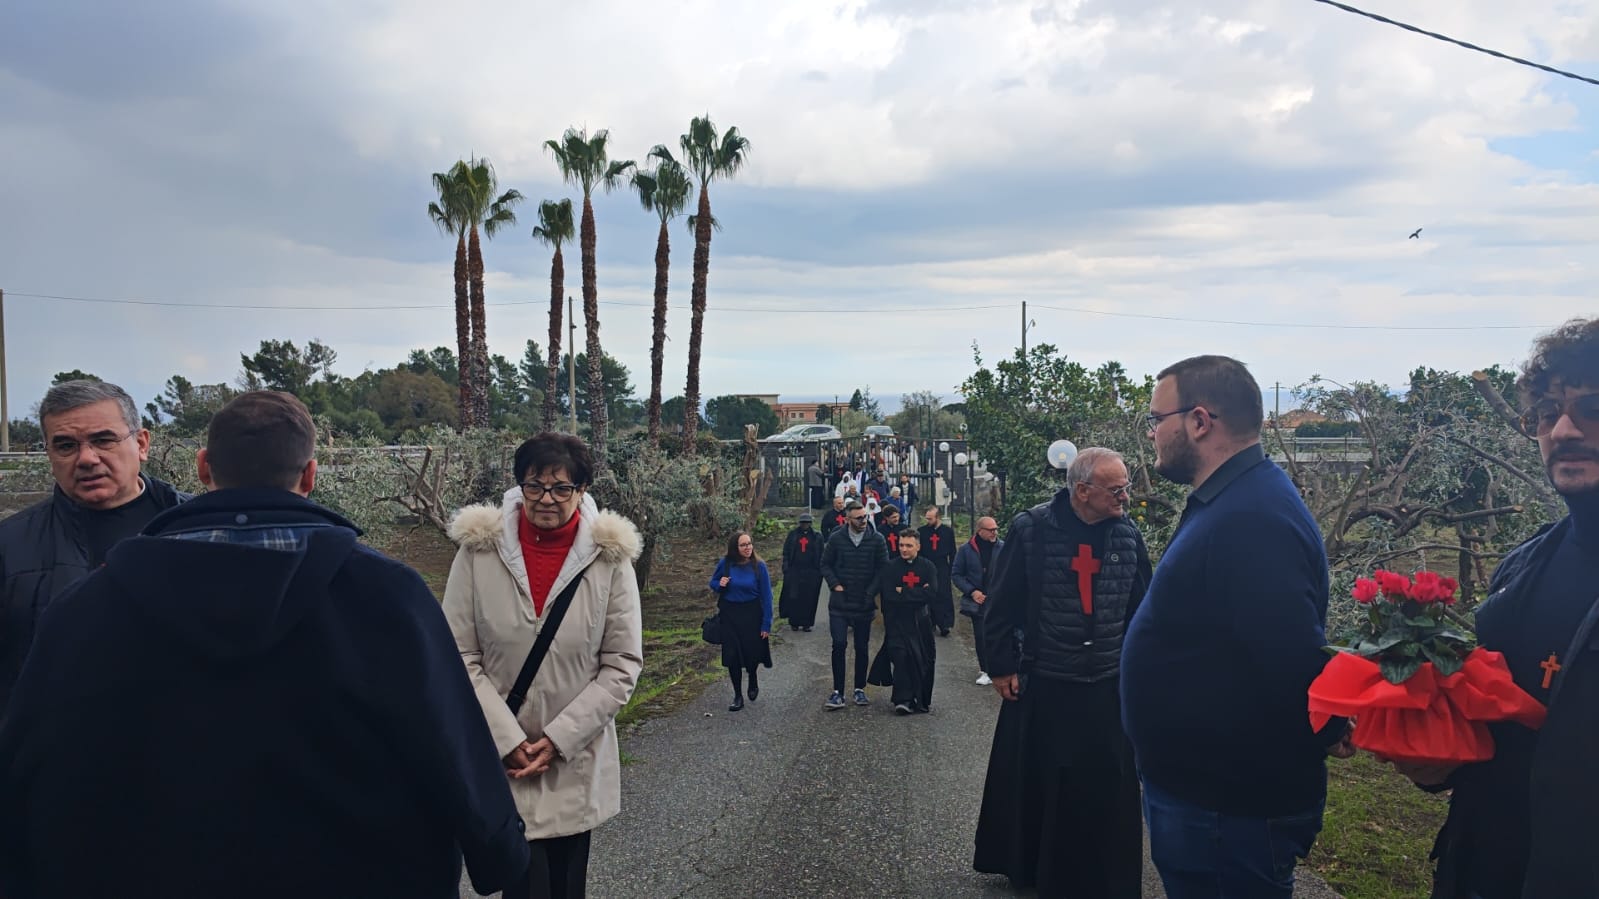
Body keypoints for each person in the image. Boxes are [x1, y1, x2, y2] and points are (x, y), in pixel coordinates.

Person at [0, 391, 528, 897]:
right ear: (310, 475)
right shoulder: (388, 596)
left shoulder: (87, 607)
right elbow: (448, 736)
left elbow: (29, 757)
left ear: (203, 469)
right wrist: (499, 849)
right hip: (361, 876)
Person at [1121, 356, 1351, 899]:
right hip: (1210, 802)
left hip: (1229, 812)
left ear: (1200, 421)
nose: (1152, 434)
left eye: (1156, 420)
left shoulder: (1252, 518)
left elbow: (1289, 656)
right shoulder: (1234, 498)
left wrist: (1330, 726)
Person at [1403, 318, 1599, 899]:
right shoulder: (1523, 567)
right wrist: (1439, 759)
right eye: (1547, 413)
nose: (1563, 430)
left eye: (1592, 408)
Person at [443, 432, 644, 899]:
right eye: (534, 485)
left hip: (573, 760)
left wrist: (557, 740)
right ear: (519, 485)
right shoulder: (479, 551)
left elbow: (621, 664)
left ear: (582, 489)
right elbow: (457, 655)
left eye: (561, 488)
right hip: (502, 763)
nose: (546, 499)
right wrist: (507, 739)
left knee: (566, 884)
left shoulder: (609, 558)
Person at [973, 447, 1152, 898]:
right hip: (1047, 680)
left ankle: (1103, 875)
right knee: (1046, 782)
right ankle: (1036, 871)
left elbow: (1143, 610)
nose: (1126, 497)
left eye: (1126, 487)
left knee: (1106, 785)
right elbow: (1001, 603)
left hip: (1107, 683)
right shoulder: (1032, 530)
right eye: (1116, 490)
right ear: (1083, 491)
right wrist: (1001, 667)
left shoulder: (1128, 535)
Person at [0, 379, 188, 716]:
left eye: (103, 440)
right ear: (49, 454)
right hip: (53, 744)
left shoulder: (202, 529)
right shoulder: (9, 546)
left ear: (141, 444)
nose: (87, 458)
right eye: (66, 446)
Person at [820, 499, 889, 710]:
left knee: (861, 646)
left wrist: (871, 592)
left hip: (863, 602)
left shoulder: (876, 539)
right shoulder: (836, 539)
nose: (863, 521)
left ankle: (859, 688)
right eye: (858, 518)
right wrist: (835, 584)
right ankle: (837, 692)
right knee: (839, 644)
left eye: (865, 517)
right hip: (840, 602)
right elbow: (825, 564)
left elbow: (883, 569)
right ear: (848, 519)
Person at [868, 528, 938, 714]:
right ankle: (903, 699)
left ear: (918, 546)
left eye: (908, 545)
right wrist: (917, 593)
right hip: (897, 621)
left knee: (923, 659)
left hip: (920, 622)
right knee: (901, 658)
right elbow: (889, 595)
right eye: (901, 545)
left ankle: (920, 698)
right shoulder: (891, 567)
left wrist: (904, 592)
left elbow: (931, 593)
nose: (904, 549)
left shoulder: (928, 567)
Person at [709, 531, 774, 712]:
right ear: (735, 548)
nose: (748, 548)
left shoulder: (759, 566)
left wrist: (766, 623)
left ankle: (752, 677)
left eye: (749, 544)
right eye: (743, 545)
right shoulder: (726, 564)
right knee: (732, 656)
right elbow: (713, 582)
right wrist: (720, 584)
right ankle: (738, 695)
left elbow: (767, 597)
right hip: (730, 616)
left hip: (752, 615)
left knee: (751, 654)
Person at [952, 515, 1004, 686]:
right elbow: (957, 575)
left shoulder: (1003, 548)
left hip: (998, 600)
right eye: (991, 530)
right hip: (978, 602)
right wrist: (972, 591)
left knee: (1000, 635)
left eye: (996, 529)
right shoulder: (966, 550)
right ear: (980, 531)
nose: (994, 532)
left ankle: (1001, 668)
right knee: (981, 636)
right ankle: (985, 670)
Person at [779, 512, 824, 632]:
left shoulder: (817, 536)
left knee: (809, 597)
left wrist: (820, 570)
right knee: (794, 596)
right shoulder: (793, 535)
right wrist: (786, 567)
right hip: (795, 570)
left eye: (807, 523)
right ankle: (794, 622)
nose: (805, 525)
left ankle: (807, 623)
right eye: (803, 523)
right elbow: (786, 551)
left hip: (811, 571)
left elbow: (822, 554)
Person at [918, 505, 957, 637]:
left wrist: (952, 569)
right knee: (929, 593)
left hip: (942, 565)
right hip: (927, 565)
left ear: (937, 517)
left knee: (944, 593)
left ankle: (945, 623)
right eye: (927, 518)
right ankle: (931, 622)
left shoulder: (947, 531)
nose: (928, 521)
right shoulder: (922, 531)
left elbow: (952, 551)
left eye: (930, 519)